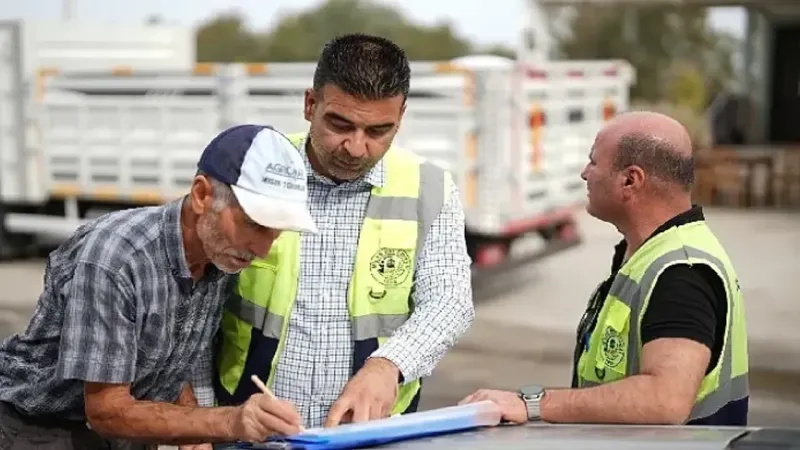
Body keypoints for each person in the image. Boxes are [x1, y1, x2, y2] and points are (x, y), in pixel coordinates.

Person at [191, 33, 475, 436]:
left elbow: (449, 302)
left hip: (372, 433)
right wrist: (203, 420)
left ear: (401, 116)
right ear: (310, 104)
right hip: (248, 431)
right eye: (340, 125)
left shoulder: (429, 188)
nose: (356, 148)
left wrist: (387, 366)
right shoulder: (257, 169)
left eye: (378, 131)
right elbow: (192, 306)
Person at [0, 124, 318, 449]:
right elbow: (106, 411)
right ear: (201, 195)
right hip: (36, 429)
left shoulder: (220, 254)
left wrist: (193, 435)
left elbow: (162, 360)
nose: (262, 249)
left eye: (276, 231)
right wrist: (229, 421)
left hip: (122, 433)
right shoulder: (117, 258)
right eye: (253, 224)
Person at [459, 111, 749, 426]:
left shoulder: (681, 272)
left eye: (594, 162)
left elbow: (665, 399)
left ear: (630, 180)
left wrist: (532, 404)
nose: (585, 174)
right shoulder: (650, 253)